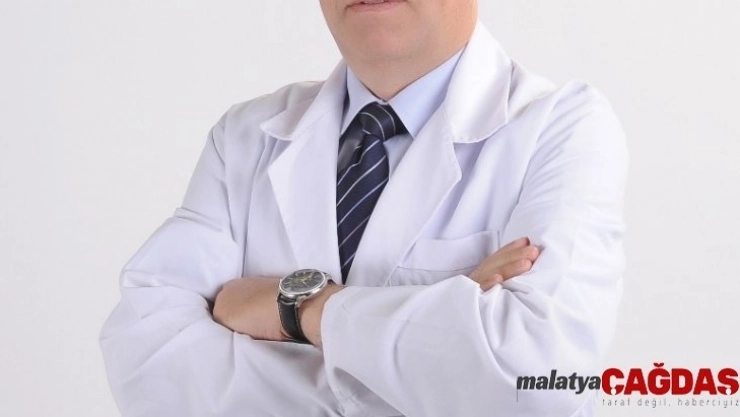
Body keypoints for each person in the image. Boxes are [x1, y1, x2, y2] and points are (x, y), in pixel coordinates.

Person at [100, 1, 627, 416]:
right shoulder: (244, 136)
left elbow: (538, 381)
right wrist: (435, 343)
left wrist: (299, 310)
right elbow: (146, 358)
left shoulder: (562, 127)